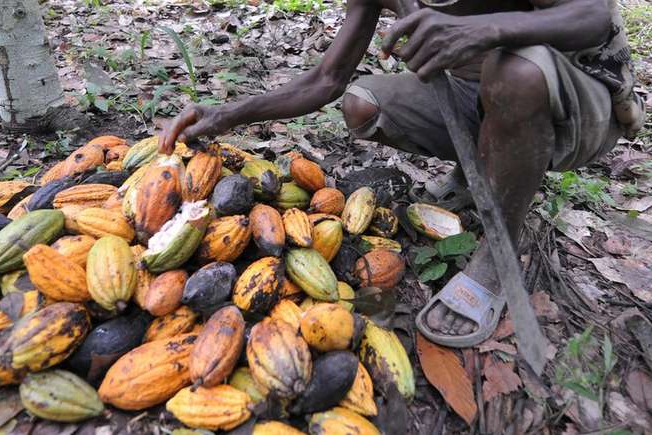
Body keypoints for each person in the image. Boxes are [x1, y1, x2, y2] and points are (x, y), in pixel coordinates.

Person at [158, 0, 645, 347]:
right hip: (481, 100)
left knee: (514, 70)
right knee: (362, 104)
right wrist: (226, 114)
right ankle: (478, 165)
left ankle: (498, 253)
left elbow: (591, 15)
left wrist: (491, 30)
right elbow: (326, 80)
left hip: (577, 108)